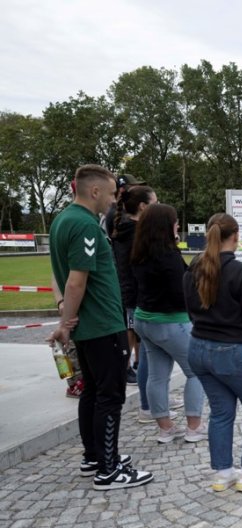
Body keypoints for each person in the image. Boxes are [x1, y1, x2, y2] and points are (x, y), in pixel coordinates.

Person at [48, 164, 153, 490]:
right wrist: (65, 322)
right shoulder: (85, 226)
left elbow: (58, 274)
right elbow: (76, 280)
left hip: (90, 326)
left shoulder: (62, 221)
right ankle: (109, 470)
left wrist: (65, 313)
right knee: (110, 396)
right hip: (103, 324)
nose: (112, 202)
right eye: (109, 194)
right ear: (94, 191)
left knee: (92, 392)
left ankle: (94, 456)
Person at [184, 213, 242, 493]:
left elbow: (189, 308)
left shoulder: (194, 268)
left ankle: (223, 473)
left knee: (221, 412)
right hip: (231, 350)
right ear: (235, 236)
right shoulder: (240, 271)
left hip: (198, 347)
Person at [131, 203, 207, 444]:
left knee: (157, 376)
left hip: (144, 320)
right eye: (175, 223)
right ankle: (194, 427)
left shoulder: (140, 253)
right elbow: (180, 293)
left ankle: (165, 429)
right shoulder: (168, 256)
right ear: (166, 226)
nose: (178, 226)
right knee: (196, 372)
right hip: (171, 322)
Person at [111, 185, 161, 421]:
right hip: (141, 298)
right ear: (143, 206)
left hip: (134, 297)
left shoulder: (124, 229)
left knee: (148, 353)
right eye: (154, 203)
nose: (157, 207)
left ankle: (152, 401)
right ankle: (148, 405)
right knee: (149, 354)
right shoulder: (136, 232)